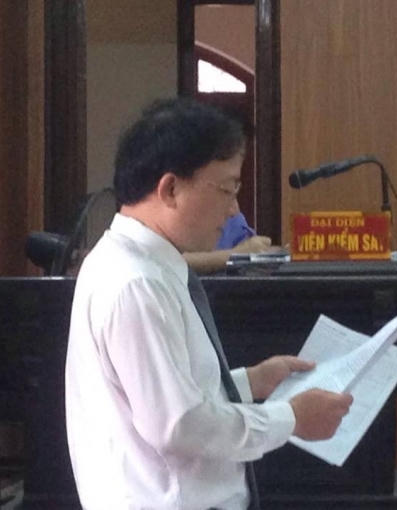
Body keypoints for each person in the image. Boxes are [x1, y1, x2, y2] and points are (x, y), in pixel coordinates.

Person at [65, 98, 353, 510]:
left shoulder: (146, 264)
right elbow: (179, 425)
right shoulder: (136, 283)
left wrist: (251, 381)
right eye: (227, 189)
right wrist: (292, 418)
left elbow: (167, 396)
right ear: (170, 189)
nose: (234, 209)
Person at [183, 209, 282, 274]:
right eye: (226, 192)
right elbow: (176, 260)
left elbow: (252, 251)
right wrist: (236, 255)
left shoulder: (233, 217)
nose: (234, 210)